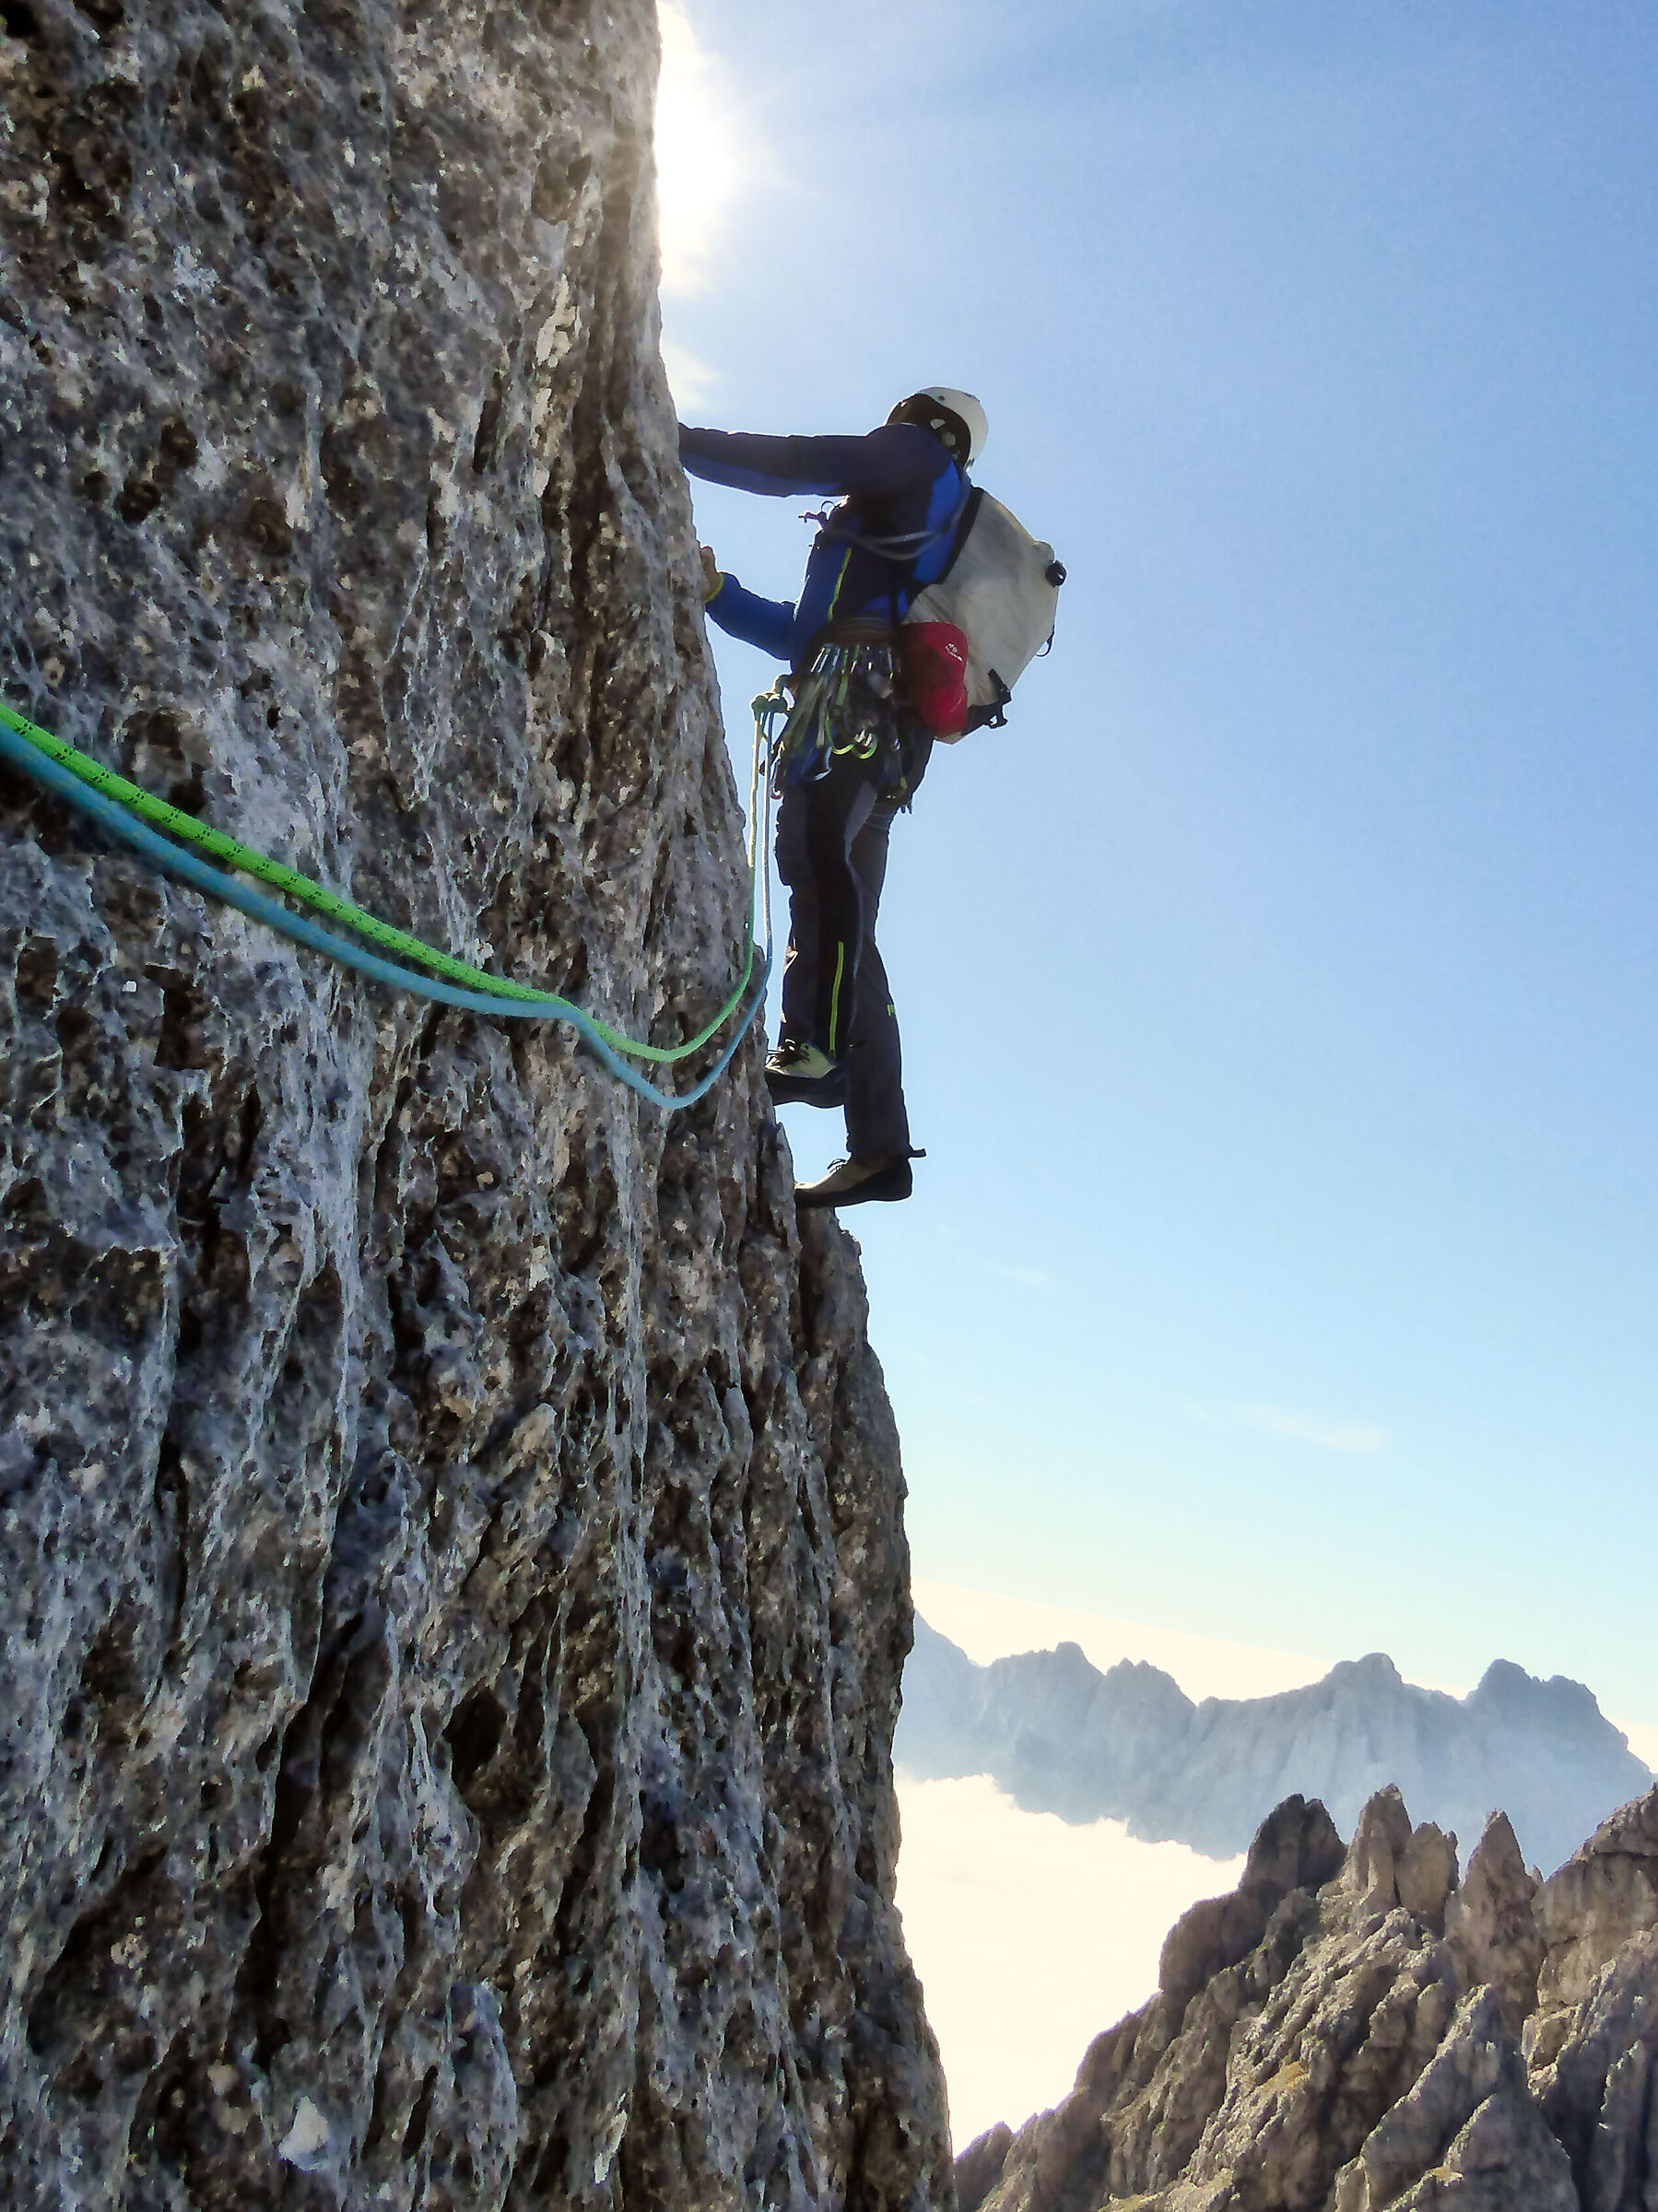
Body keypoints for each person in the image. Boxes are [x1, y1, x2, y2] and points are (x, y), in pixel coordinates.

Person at [680, 388, 989, 1209]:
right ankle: (880, 1148)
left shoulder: (917, 457)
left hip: (851, 719)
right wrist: (719, 593)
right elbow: (806, 635)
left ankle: (815, 1049)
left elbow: (806, 461)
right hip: (879, 734)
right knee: (847, 921)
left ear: (925, 423)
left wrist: (672, 438)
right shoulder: (904, 531)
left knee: (819, 873)